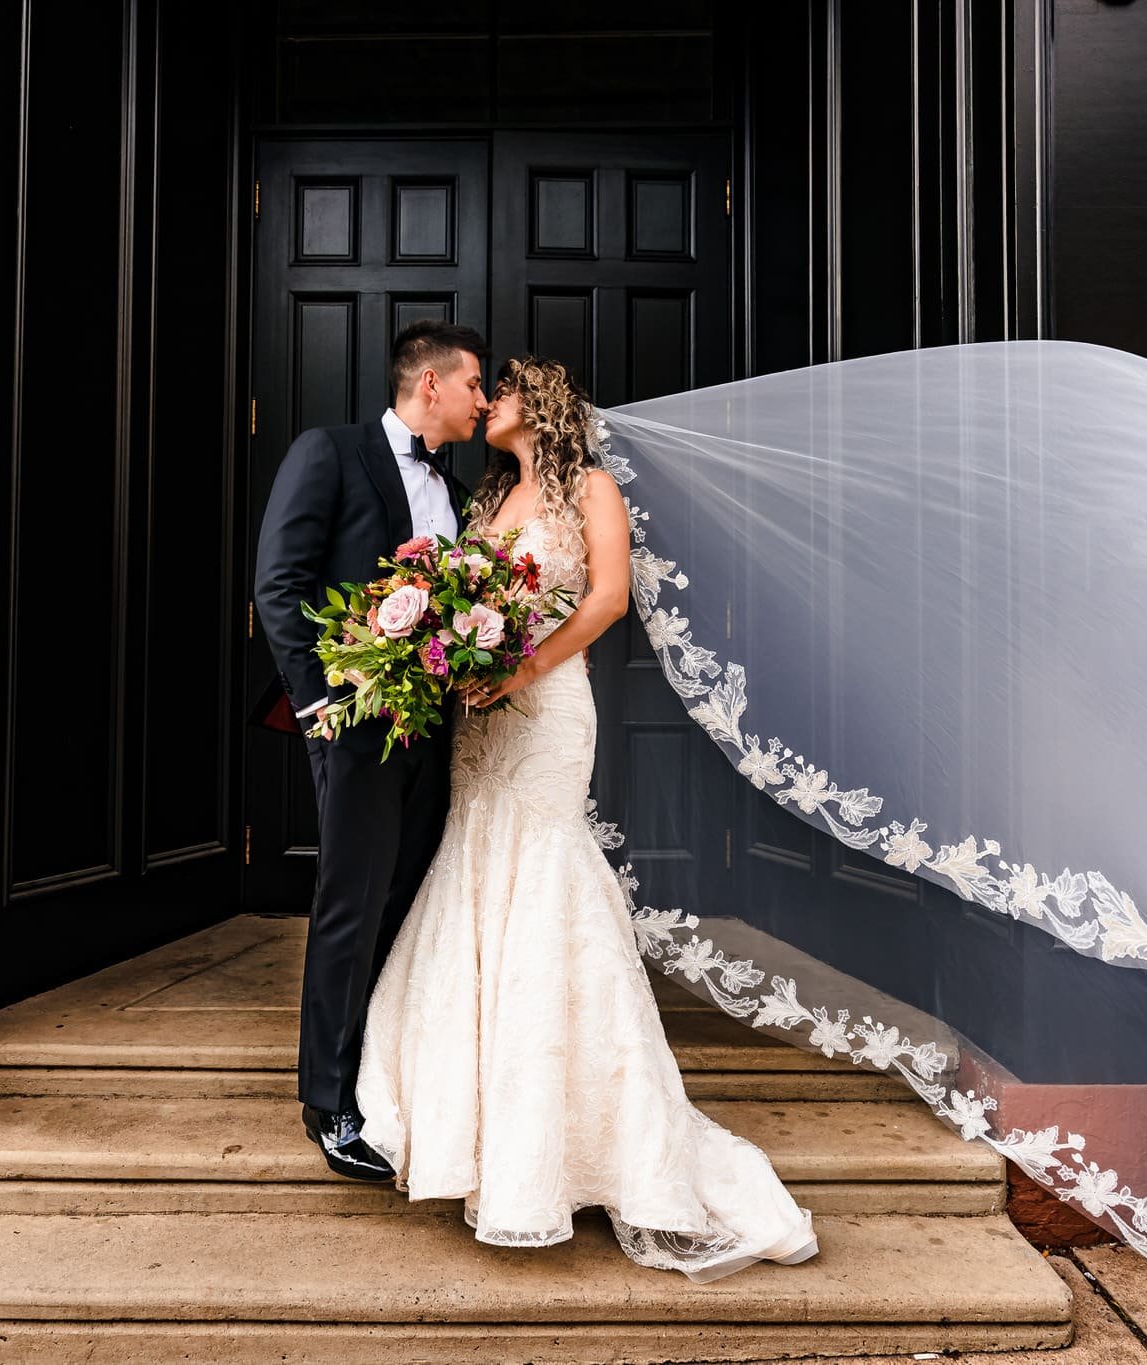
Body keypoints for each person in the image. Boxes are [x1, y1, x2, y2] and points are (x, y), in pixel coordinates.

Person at [353, 357, 818, 1282]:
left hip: (550, 708)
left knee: (546, 873)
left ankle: (584, 1142)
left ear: (545, 403)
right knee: (476, 862)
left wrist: (521, 669)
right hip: (479, 719)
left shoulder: (591, 488)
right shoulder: (486, 503)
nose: (488, 403)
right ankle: (475, 1124)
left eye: (504, 389)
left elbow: (607, 597)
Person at [252, 319, 490, 1180]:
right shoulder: (331, 452)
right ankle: (328, 1099)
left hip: (433, 734)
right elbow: (278, 580)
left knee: (402, 903)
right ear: (431, 385)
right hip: (352, 726)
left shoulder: (457, 493)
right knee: (349, 905)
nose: (484, 401)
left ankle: (384, 1079)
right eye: (474, 385)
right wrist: (319, 702)